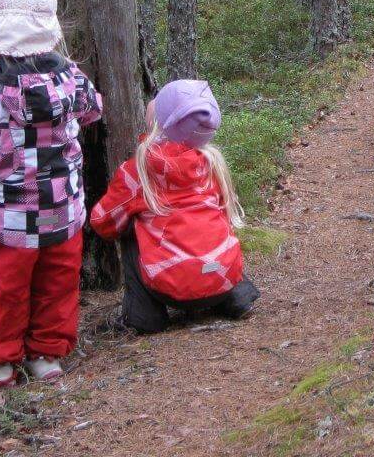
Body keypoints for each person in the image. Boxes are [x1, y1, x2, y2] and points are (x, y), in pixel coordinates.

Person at [0, 0, 103, 391]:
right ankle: (46, 354)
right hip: (65, 213)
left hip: (11, 219)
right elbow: (93, 111)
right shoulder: (72, 80)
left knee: (9, 291)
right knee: (58, 286)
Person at [91, 79, 259, 334]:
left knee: (130, 227)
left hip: (171, 287)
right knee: (210, 220)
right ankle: (236, 296)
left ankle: (144, 315)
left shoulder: (140, 170)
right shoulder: (212, 163)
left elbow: (103, 223)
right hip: (222, 276)